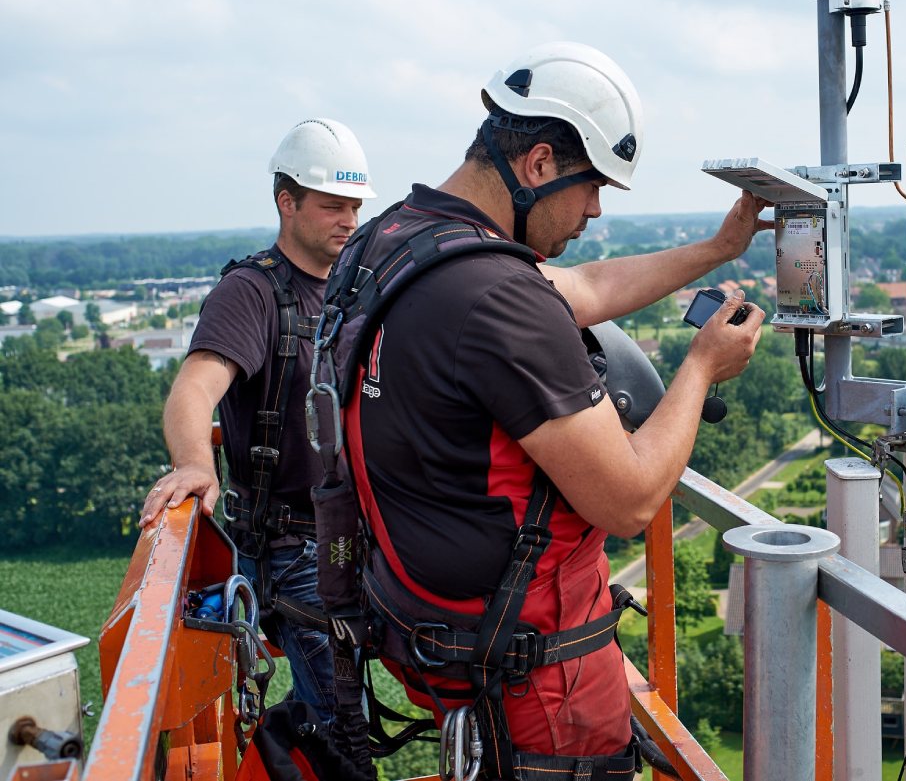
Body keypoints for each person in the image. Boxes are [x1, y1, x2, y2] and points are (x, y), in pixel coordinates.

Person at [348, 42, 767, 776]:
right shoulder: (496, 298)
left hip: (440, 639)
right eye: (591, 187)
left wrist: (716, 249)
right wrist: (700, 368)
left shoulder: (397, 242)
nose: (596, 211)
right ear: (538, 163)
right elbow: (631, 498)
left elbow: (583, 289)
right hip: (538, 687)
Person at [139, 118, 376, 724]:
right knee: (342, 725)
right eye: (332, 206)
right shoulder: (253, 293)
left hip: (366, 536)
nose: (348, 220)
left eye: (354, 206)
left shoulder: (362, 290)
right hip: (293, 548)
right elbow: (195, 387)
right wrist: (195, 461)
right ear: (286, 202)